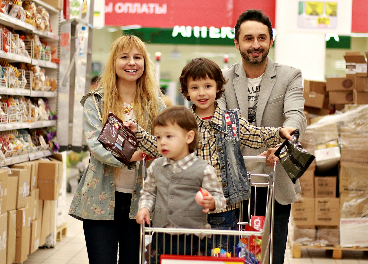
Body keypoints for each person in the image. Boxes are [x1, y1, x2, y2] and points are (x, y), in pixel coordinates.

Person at [126, 58, 296, 239]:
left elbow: (255, 135)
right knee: (191, 253)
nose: (202, 93)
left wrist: (279, 132)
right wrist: (138, 133)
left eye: (207, 86)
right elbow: (160, 145)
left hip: (226, 207)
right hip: (189, 209)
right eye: (194, 87)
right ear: (186, 91)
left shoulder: (231, 120)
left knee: (221, 254)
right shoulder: (182, 123)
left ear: (218, 88)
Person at [217, 9, 307, 264]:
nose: (255, 45)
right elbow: (223, 123)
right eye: (248, 38)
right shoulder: (221, 79)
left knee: (271, 254)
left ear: (270, 40)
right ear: (236, 42)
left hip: (275, 178)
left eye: (261, 38)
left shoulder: (290, 75)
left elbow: (296, 116)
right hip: (232, 184)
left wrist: (282, 144)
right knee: (232, 256)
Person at [69, 35, 166, 264]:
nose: (131, 62)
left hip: (141, 200)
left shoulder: (155, 103)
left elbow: (166, 141)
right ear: (113, 62)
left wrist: (154, 148)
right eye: (124, 57)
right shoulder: (96, 102)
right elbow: (96, 144)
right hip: (99, 198)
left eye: (137, 57)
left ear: (145, 64)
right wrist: (135, 155)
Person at [135, 105, 226, 262]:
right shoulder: (156, 166)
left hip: (194, 240)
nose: (162, 142)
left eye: (169, 136)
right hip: (161, 236)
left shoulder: (204, 169)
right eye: (158, 137)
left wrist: (212, 202)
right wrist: (144, 208)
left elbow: (220, 199)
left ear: (189, 137)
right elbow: (149, 192)